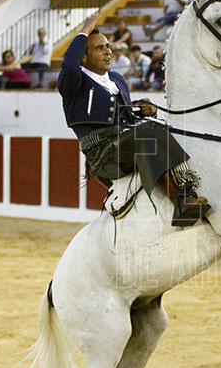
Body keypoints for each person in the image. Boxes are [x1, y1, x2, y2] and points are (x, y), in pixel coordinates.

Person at [58, 14, 209, 227]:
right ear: (83, 57)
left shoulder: (117, 79)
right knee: (148, 131)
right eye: (99, 48)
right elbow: (68, 66)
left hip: (124, 143)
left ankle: (187, 189)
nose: (108, 51)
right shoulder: (74, 81)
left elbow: (124, 117)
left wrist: (147, 111)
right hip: (103, 154)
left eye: (108, 46)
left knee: (157, 126)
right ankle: (180, 201)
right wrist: (84, 31)